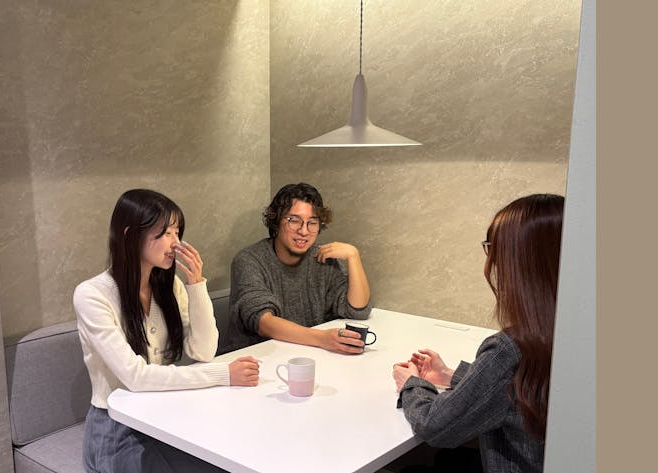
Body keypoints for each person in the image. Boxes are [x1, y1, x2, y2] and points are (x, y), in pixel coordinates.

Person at [73, 189, 259, 473]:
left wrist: (196, 284)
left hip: (165, 415)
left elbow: (203, 350)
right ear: (130, 235)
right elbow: (135, 377)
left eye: (177, 232)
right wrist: (224, 375)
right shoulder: (92, 295)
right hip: (117, 428)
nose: (176, 243)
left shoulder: (169, 287)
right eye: (166, 233)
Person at [392, 193, 565, 473]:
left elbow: (436, 427)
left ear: (517, 261)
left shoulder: (511, 348)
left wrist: (411, 385)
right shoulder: (568, 332)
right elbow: (517, 394)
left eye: (494, 248)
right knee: (449, 461)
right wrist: (451, 376)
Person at [222, 182, 373, 354]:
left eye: (312, 223)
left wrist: (353, 256)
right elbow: (264, 322)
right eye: (294, 221)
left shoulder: (322, 257)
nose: (303, 231)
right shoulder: (249, 260)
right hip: (256, 360)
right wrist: (321, 339)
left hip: (310, 355)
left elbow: (358, 311)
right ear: (276, 221)